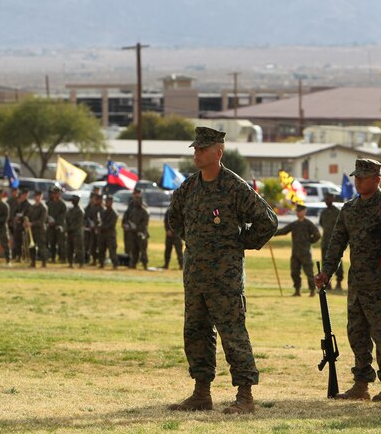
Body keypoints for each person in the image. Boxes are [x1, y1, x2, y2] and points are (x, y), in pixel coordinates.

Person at [168, 126, 277, 414]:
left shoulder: (234, 187)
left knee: (232, 333)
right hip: (195, 277)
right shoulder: (189, 187)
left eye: (201, 149)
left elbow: (268, 221)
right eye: (194, 148)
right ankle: (201, 393)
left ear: (217, 153)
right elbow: (174, 219)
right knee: (196, 332)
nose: (196, 153)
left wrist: (239, 244)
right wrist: (194, 243)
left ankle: (245, 396)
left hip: (225, 279)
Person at [314, 158, 381, 402]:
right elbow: (337, 243)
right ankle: (361, 383)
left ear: (376, 179)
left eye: (363, 176)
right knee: (357, 334)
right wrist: (327, 272)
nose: (358, 181)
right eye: (356, 176)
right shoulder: (349, 209)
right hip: (358, 285)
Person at [274, 204, 321, 297]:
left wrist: (309, 242)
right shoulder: (294, 224)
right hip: (295, 252)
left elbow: (317, 235)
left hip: (305, 253)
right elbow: (284, 231)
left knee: (309, 273)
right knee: (294, 272)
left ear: (304, 212)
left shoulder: (308, 223)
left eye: (300, 211)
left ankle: (312, 290)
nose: (298, 213)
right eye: (297, 211)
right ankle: (297, 290)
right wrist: (272, 233)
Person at [319, 192, 344, 290]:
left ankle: (339, 281)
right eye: (325, 199)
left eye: (328, 199)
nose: (326, 201)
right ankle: (327, 282)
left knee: (337, 262)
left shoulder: (337, 212)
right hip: (325, 242)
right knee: (325, 263)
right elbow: (322, 224)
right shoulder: (323, 213)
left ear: (333, 199)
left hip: (335, 243)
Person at [127, 189, 149, 269]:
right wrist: (130, 226)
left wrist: (137, 228)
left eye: (137, 201)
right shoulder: (134, 210)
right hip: (134, 234)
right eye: (135, 201)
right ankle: (133, 264)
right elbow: (131, 219)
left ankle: (144, 264)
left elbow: (144, 224)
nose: (136, 203)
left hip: (141, 234)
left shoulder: (144, 212)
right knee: (134, 250)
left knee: (143, 251)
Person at [26, 190, 48, 268]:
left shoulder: (43, 207)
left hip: (40, 230)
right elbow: (28, 216)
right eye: (35, 196)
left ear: (41, 197)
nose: (37, 198)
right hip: (32, 230)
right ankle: (33, 262)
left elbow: (42, 220)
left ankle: (44, 262)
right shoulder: (32, 207)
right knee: (32, 246)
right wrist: (26, 222)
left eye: (38, 196)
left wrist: (32, 224)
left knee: (41, 246)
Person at [46, 186, 67, 263]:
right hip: (50, 226)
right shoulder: (49, 203)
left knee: (61, 243)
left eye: (56, 193)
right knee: (52, 243)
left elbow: (63, 215)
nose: (54, 195)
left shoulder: (62, 204)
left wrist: (56, 222)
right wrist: (49, 221)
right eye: (53, 193)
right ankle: (52, 258)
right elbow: (46, 214)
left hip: (59, 226)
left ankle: (63, 258)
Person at [98, 195, 119, 269]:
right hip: (103, 234)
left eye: (108, 202)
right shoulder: (103, 212)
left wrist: (102, 227)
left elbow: (111, 225)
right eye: (106, 201)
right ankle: (101, 263)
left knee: (112, 250)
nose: (106, 203)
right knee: (101, 250)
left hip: (110, 234)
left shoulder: (114, 213)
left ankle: (115, 264)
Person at [11, 188, 31, 262]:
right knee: (17, 242)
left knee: (24, 242)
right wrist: (15, 218)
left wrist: (20, 218)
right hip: (17, 226)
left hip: (23, 226)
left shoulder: (28, 205)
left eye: (25, 194)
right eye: (22, 194)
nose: (23, 196)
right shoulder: (18, 204)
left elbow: (27, 215)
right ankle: (18, 256)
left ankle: (25, 256)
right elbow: (13, 213)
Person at [66, 195, 84, 268]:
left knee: (78, 249)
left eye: (73, 200)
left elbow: (79, 224)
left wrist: (70, 228)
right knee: (69, 249)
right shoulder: (70, 210)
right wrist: (67, 228)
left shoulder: (80, 211)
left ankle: (80, 263)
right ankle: (70, 263)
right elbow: (66, 219)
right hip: (70, 232)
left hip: (77, 233)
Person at [84, 193, 102, 265]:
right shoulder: (92, 208)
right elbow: (88, 217)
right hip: (92, 230)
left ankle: (100, 260)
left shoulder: (102, 209)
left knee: (100, 246)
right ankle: (94, 260)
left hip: (99, 231)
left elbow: (102, 220)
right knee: (93, 245)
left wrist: (97, 226)